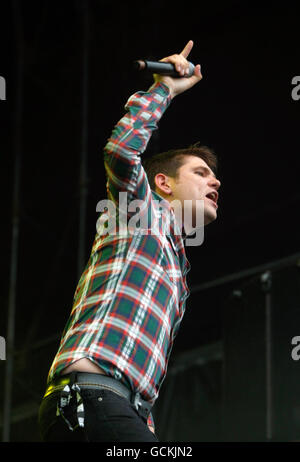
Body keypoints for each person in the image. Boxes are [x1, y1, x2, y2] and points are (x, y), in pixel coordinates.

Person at [38, 40, 221, 442]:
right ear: (163, 183)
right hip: (92, 398)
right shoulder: (141, 214)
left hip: (115, 408)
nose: (215, 181)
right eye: (201, 173)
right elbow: (121, 151)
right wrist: (165, 90)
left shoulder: (176, 261)